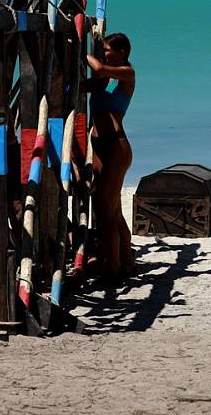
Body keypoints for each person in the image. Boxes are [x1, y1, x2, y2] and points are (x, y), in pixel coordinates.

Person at [86, 32, 136, 282]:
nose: (103, 54)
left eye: (107, 49)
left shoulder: (127, 73)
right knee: (110, 209)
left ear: (122, 53)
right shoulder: (104, 79)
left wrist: (80, 52)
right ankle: (126, 261)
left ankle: (114, 269)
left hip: (116, 148)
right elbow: (95, 77)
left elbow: (98, 66)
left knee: (107, 210)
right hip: (100, 147)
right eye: (103, 50)